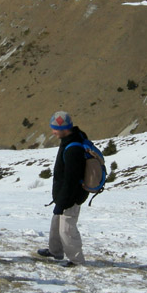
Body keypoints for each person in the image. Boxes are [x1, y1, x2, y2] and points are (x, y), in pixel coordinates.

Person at [37, 111, 89, 267]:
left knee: (67, 230)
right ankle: (55, 251)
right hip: (64, 196)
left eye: (55, 129)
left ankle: (77, 260)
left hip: (71, 197)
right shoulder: (71, 138)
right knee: (56, 224)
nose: (52, 132)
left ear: (64, 129)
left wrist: (63, 202)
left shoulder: (74, 149)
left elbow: (71, 181)